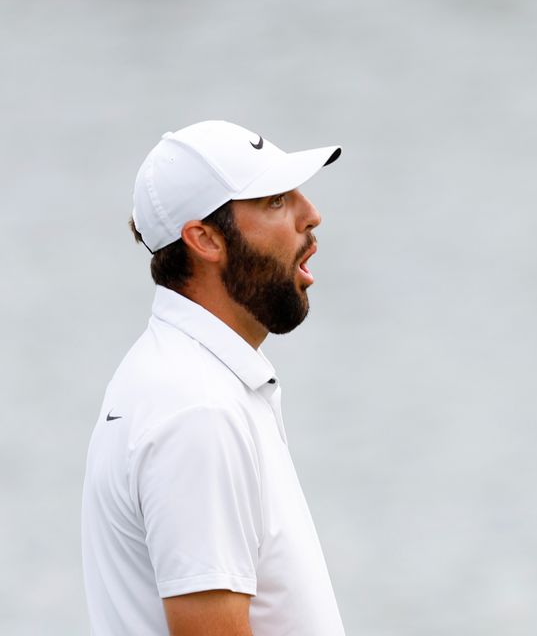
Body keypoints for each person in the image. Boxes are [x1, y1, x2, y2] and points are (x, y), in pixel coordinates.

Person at [82, 120, 347, 635]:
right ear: (204, 239)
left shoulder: (180, 377)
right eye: (274, 200)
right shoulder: (198, 410)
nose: (311, 214)